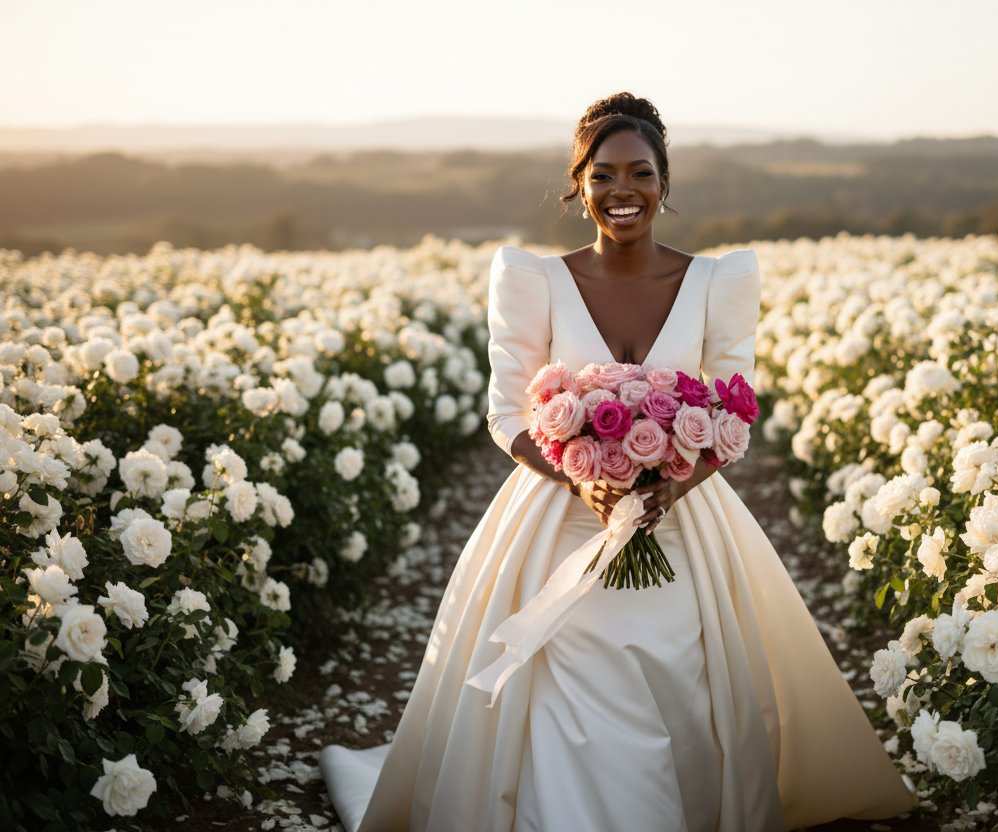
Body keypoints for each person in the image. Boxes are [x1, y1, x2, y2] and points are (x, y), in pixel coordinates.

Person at [320, 93, 914, 832]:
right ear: (579, 184)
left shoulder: (716, 283)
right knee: (568, 661)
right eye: (603, 175)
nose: (621, 191)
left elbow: (733, 411)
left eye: (640, 173)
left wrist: (670, 485)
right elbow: (507, 415)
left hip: (680, 520)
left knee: (684, 668)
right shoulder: (532, 279)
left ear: (665, 183)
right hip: (561, 518)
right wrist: (584, 478)